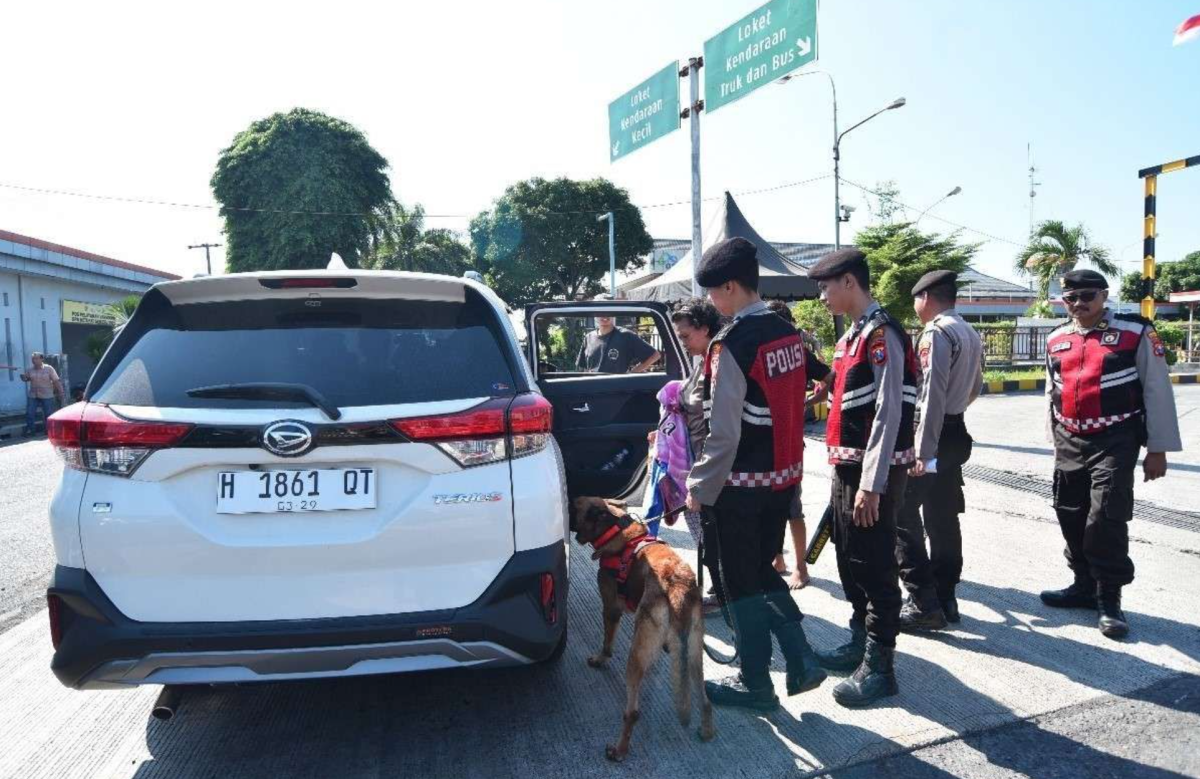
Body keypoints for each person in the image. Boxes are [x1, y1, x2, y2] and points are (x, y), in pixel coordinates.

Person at [685, 237, 825, 712]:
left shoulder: (732, 344)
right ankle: (798, 657)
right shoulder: (787, 333)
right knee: (760, 574)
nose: (709, 302)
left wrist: (699, 487)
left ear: (729, 286)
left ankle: (758, 682)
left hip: (739, 487)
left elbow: (723, 432)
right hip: (782, 481)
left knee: (738, 584)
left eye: (711, 292)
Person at [1039, 269, 1181, 640]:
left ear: (1104, 296)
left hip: (1117, 437)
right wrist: (1054, 437)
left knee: (1105, 516)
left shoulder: (1136, 333)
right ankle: (1083, 584)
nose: (1079, 304)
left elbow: (1156, 388)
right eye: (1071, 298)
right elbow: (1051, 392)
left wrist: (1158, 449)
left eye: (1087, 296)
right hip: (1069, 437)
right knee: (1068, 511)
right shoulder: (1056, 338)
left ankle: (1109, 598)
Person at [808, 248, 919, 708]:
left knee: (875, 565)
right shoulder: (850, 337)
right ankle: (859, 641)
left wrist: (872, 484)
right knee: (850, 557)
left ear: (850, 282)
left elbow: (889, 410)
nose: (822, 296)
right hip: (846, 467)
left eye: (826, 286)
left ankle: (881, 666)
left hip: (873, 472)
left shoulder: (882, 335)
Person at [894, 271, 984, 631]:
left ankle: (921, 600)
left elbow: (930, 395)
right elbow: (976, 384)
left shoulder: (936, 332)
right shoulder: (968, 330)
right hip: (955, 429)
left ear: (926, 297)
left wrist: (923, 450)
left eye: (916, 300)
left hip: (931, 435)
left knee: (901, 513)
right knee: (943, 515)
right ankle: (946, 596)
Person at [644, 299, 724, 611]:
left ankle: (722, 595)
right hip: (693, 467)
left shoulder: (716, 367)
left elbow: (716, 428)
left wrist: (701, 480)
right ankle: (720, 591)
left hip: (706, 468)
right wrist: (665, 435)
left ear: (705, 329)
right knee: (704, 536)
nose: (682, 341)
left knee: (710, 537)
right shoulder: (701, 364)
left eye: (685, 335)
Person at [765, 299, 831, 589]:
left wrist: (811, 400)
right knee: (770, 506)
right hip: (764, 442)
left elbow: (831, 377)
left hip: (788, 445)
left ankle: (801, 568)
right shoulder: (760, 350)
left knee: (792, 507)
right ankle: (777, 558)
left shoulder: (797, 352)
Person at [575, 315, 660, 373]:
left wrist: (631, 374)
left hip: (617, 392)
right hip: (593, 391)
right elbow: (584, 368)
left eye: (609, 311)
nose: (605, 315)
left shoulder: (626, 335)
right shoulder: (588, 337)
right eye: (600, 311)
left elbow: (654, 355)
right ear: (595, 314)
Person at [21, 352, 64, 437]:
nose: (34, 360)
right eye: (33, 359)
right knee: (30, 413)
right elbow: (27, 379)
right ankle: (31, 431)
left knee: (48, 413)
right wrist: (23, 378)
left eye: (36, 358)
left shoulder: (49, 369)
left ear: (41, 359)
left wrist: (61, 392)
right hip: (33, 395)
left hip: (47, 395)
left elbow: (56, 381)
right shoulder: (30, 370)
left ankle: (48, 431)